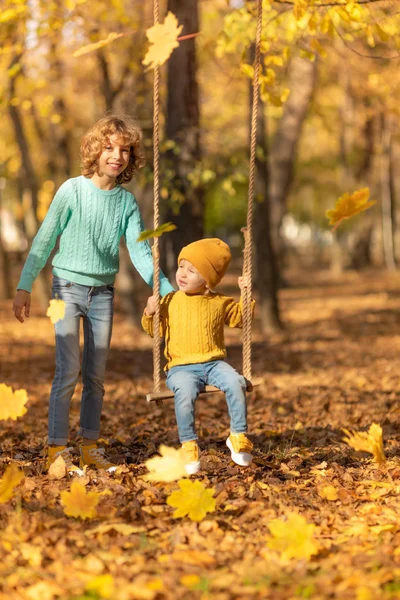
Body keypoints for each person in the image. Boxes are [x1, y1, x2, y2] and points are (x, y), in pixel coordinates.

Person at [12, 114, 174, 475]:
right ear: (94, 150)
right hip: (64, 290)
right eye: (109, 147)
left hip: (103, 295)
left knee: (96, 374)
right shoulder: (71, 190)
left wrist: (169, 291)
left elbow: (141, 254)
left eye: (125, 150)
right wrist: (24, 285)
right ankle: (56, 448)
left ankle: (89, 446)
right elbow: (45, 239)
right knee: (67, 369)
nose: (117, 155)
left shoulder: (126, 203)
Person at [142, 238, 255, 475]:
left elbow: (240, 319)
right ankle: (189, 444)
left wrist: (245, 293)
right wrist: (150, 312)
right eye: (181, 266)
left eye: (192, 270)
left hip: (214, 363)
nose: (182, 273)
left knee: (237, 382)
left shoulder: (219, 301)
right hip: (181, 367)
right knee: (185, 392)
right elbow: (155, 331)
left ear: (208, 280)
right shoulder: (170, 300)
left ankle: (238, 436)